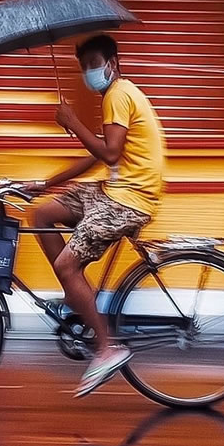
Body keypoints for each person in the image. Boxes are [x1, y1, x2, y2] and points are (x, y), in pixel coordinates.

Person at [22, 34, 166, 398]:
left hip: (129, 200)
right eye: (84, 66)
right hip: (113, 191)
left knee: (66, 265)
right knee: (41, 214)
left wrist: (73, 120)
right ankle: (76, 294)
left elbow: (111, 153)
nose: (89, 72)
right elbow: (98, 157)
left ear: (112, 64)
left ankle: (107, 348)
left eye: (93, 64)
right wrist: (45, 184)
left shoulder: (118, 93)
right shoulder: (117, 96)